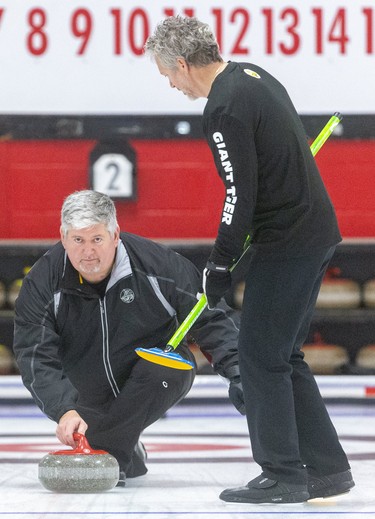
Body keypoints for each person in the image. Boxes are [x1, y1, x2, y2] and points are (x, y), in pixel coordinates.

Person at [144, 16, 354, 504]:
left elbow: (240, 191)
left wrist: (219, 263)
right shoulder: (253, 77)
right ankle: (326, 469)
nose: (169, 84)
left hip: (288, 243)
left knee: (259, 358)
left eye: (166, 74)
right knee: (283, 355)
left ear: (180, 62)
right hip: (314, 233)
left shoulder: (225, 107)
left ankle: (282, 474)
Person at [13, 189, 245, 487]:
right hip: (84, 393)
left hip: (156, 373)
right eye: (78, 240)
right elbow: (34, 356)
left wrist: (240, 375)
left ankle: (107, 453)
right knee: (115, 446)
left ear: (115, 234)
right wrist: (63, 409)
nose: (88, 252)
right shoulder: (41, 284)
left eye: (97, 239)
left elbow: (211, 319)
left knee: (166, 368)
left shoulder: (159, 265)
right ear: (63, 237)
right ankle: (123, 445)